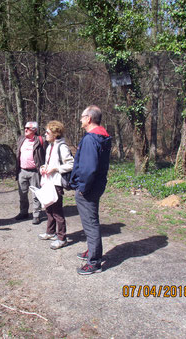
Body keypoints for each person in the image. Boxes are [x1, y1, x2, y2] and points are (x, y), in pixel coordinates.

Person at [70, 105, 111, 275]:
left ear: (89, 118)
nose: (80, 119)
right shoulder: (103, 136)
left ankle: (94, 262)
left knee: (90, 223)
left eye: (82, 116)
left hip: (88, 188)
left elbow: (88, 169)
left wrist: (82, 189)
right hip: (97, 185)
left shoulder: (90, 139)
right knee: (91, 220)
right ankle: (92, 251)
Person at [38, 120, 74, 250]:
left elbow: (71, 164)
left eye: (47, 132)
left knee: (57, 212)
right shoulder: (49, 146)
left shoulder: (62, 147)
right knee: (48, 209)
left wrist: (55, 169)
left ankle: (61, 238)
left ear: (55, 134)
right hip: (48, 182)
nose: (45, 134)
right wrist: (43, 167)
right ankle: (50, 232)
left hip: (56, 183)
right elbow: (48, 163)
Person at [15, 121, 47, 224]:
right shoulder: (21, 139)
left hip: (35, 172)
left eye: (28, 128)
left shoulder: (41, 140)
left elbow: (46, 155)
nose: (25, 130)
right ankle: (23, 212)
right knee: (22, 194)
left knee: (36, 194)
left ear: (35, 130)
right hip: (22, 171)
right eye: (25, 128)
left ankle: (36, 215)